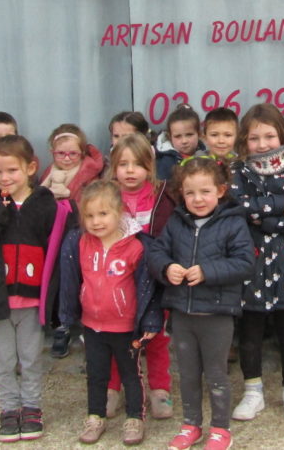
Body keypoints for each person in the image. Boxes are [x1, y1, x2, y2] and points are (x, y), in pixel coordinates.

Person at [0, 135, 73, 442]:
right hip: (0, 298)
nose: (5, 178)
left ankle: (32, 407)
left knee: (31, 358)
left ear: (31, 168)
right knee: (4, 360)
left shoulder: (49, 204)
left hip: (34, 298)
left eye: (12, 171)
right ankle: (9, 409)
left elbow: (63, 247)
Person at [147, 158, 255, 450]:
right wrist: (167, 267)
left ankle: (220, 429)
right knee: (188, 374)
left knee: (217, 374)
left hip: (217, 314)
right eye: (190, 192)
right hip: (182, 313)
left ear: (220, 190)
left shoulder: (233, 222)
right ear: (181, 192)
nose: (197, 199)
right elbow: (156, 252)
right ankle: (190, 424)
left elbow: (245, 263)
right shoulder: (176, 221)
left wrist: (208, 272)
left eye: (205, 191)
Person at [229, 104, 284, 422]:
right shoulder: (236, 173)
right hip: (249, 267)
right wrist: (281, 205)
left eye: (269, 135)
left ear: (282, 136)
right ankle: (253, 392)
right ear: (244, 141)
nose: (263, 144)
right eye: (254, 137)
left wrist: (264, 221)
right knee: (250, 333)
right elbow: (235, 210)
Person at [57, 180, 162, 446]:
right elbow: (70, 280)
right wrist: (67, 316)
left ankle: (134, 418)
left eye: (103, 214)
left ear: (120, 212)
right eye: (89, 215)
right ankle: (95, 416)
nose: (96, 221)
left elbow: (149, 289)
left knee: (131, 374)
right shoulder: (80, 242)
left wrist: (150, 320)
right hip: (92, 324)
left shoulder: (136, 246)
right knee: (96, 373)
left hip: (125, 326)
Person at [102, 133, 177, 419]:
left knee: (157, 337)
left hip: (154, 280)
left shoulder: (163, 196)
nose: (130, 170)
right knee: (116, 338)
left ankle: (160, 390)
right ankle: (112, 388)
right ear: (113, 168)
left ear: (150, 166)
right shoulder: (105, 195)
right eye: (123, 164)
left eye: (137, 164)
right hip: (115, 281)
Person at [40, 123, 104, 206]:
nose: (67, 158)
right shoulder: (49, 172)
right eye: (61, 153)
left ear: (82, 153)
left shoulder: (89, 174)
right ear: (52, 152)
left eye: (73, 153)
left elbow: (93, 202)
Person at [156, 105, 204, 180]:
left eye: (189, 135)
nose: (184, 141)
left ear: (199, 134)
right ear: (170, 137)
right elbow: (162, 189)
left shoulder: (207, 156)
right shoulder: (167, 162)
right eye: (178, 136)